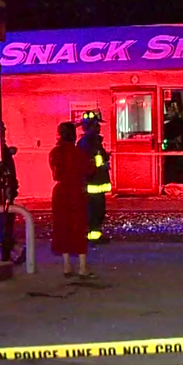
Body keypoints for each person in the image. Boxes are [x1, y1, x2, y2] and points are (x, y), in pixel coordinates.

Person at [49, 121, 96, 279]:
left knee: (62, 226)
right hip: (76, 191)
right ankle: (82, 266)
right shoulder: (78, 153)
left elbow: (56, 173)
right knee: (78, 226)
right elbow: (89, 170)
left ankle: (67, 265)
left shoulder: (55, 153)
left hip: (60, 192)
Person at [77, 111, 112, 244]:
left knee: (98, 211)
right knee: (93, 212)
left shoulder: (94, 141)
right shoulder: (86, 143)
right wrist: (102, 163)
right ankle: (92, 236)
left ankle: (95, 234)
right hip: (92, 184)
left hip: (98, 183)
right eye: (96, 125)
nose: (99, 128)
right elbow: (87, 163)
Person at [0, 123, 20, 262]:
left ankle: (10, 252)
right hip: (2, 194)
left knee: (6, 226)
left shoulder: (2, 149)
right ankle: (8, 253)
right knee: (3, 226)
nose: (3, 133)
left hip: (7, 193)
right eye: (1, 131)